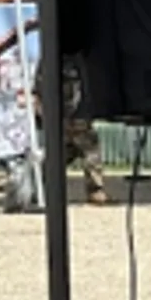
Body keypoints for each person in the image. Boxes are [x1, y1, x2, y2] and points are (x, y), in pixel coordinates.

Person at [32, 56, 107, 205]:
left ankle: (40, 187)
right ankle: (94, 190)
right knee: (89, 152)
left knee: (62, 153)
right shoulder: (76, 60)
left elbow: (38, 87)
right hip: (70, 114)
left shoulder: (50, 56)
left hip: (64, 114)